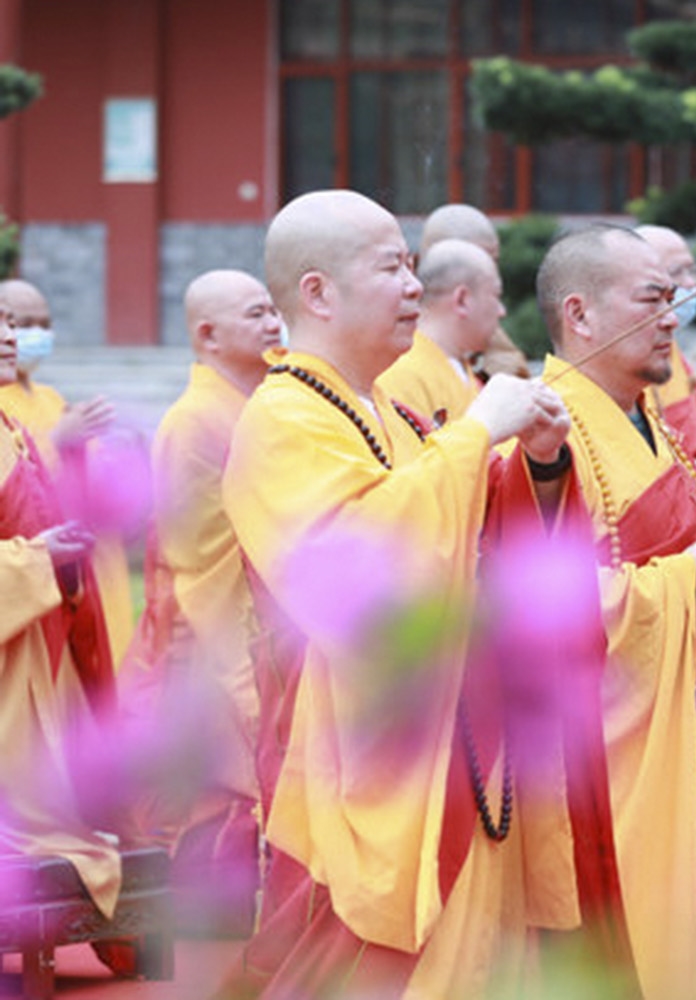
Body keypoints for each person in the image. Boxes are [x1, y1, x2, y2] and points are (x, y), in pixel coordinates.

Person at [219, 189, 576, 997]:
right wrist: (479, 430)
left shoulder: (391, 414)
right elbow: (361, 578)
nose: (416, 287)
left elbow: (479, 537)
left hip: (463, 738)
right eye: (393, 267)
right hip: (357, 746)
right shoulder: (282, 418)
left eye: (414, 267)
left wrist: (540, 463)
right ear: (317, 293)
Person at [501, 224, 696, 998]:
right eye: (654, 298)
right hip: (618, 771)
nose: (675, 315)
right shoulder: (543, 434)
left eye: (675, 298)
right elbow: (531, 610)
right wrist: (686, 580)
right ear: (580, 314)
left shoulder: (645, 417)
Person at [118, 269, 282, 928]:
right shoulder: (194, 421)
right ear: (208, 334)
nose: (275, 323)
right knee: (216, 789)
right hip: (208, 628)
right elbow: (200, 556)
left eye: (275, 310)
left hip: (260, 617)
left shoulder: (261, 402)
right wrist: (245, 663)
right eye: (257, 314)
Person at [1, 308, 123, 925]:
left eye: (8, 321)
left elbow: (45, 511)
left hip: (32, 639)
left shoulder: (13, 424)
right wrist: (31, 561)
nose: (9, 336)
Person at [0, 278, 135, 661]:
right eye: (20, 322)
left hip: (79, 557)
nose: (24, 335)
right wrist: (58, 441)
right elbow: (18, 492)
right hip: (31, 575)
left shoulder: (50, 397)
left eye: (43, 324)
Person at [635, 224, 696, 505]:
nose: (691, 284)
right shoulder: (631, 362)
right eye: (676, 273)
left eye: (693, 270)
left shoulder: (671, 350)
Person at [377, 238, 503, 427]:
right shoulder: (402, 372)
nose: (501, 311)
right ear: (462, 300)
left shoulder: (463, 371)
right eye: (495, 296)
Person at [419, 202, 530, 379]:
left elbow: (513, 372)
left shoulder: (483, 329)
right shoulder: (398, 334)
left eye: (493, 261)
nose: (489, 269)